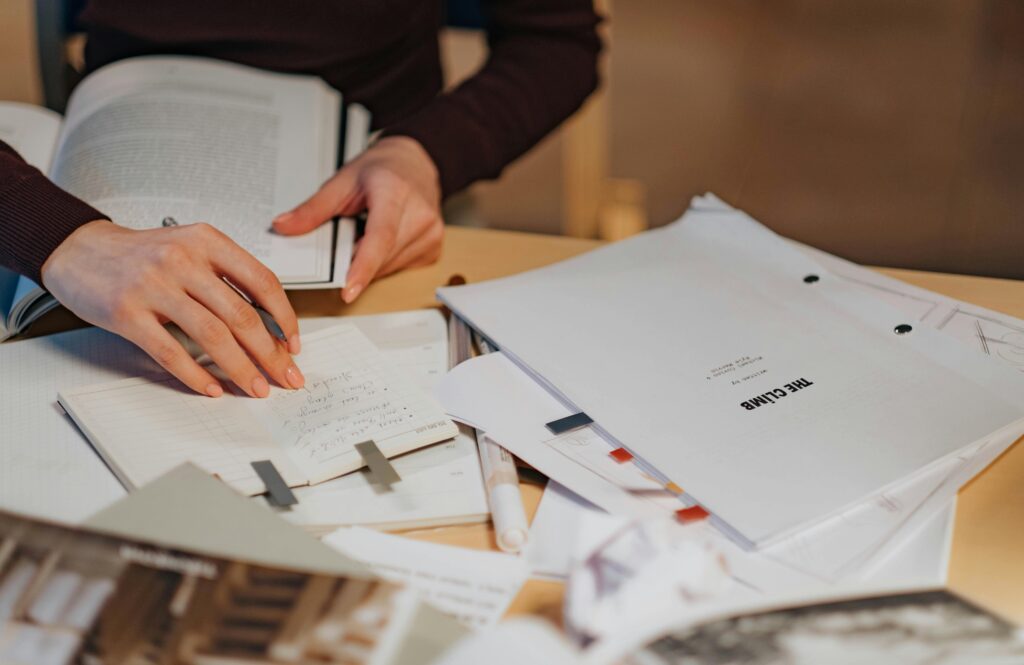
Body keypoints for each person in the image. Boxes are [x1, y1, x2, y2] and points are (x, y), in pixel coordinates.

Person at [0, 0, 601, 398]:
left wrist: (428, 153)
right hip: (95, 189)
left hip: (382, 192)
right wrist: (55, 233)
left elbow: (556, 42)